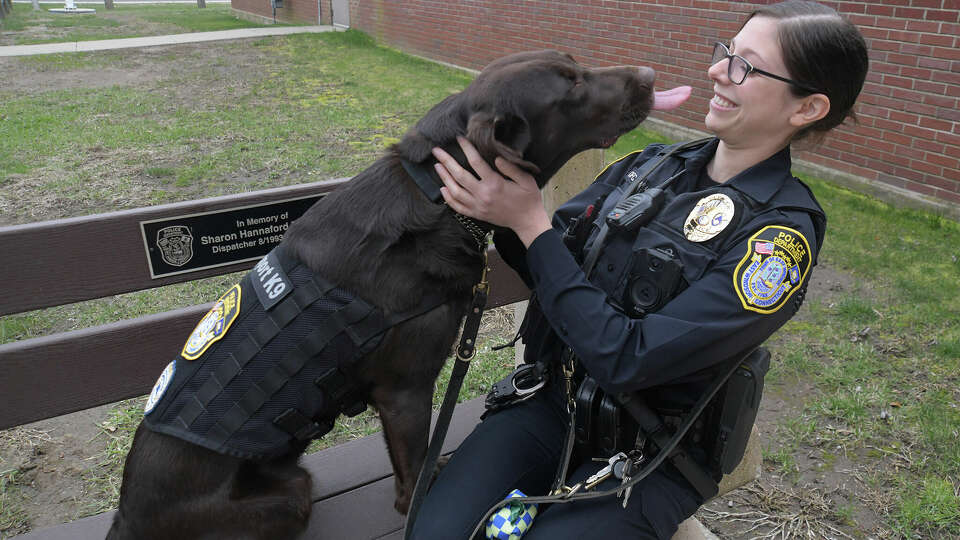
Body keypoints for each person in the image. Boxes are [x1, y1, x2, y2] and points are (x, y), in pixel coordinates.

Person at [411, 1, 869, 538]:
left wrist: (529, 223)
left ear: (807, 108)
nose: (716, 70)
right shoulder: (651, 167)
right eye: (725, 52)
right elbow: (545, 262)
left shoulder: (779, 241)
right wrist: (501, 199)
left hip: (653, 454)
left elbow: (630, 358)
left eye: (746, 65)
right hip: (552, 405)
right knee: (435, 532)